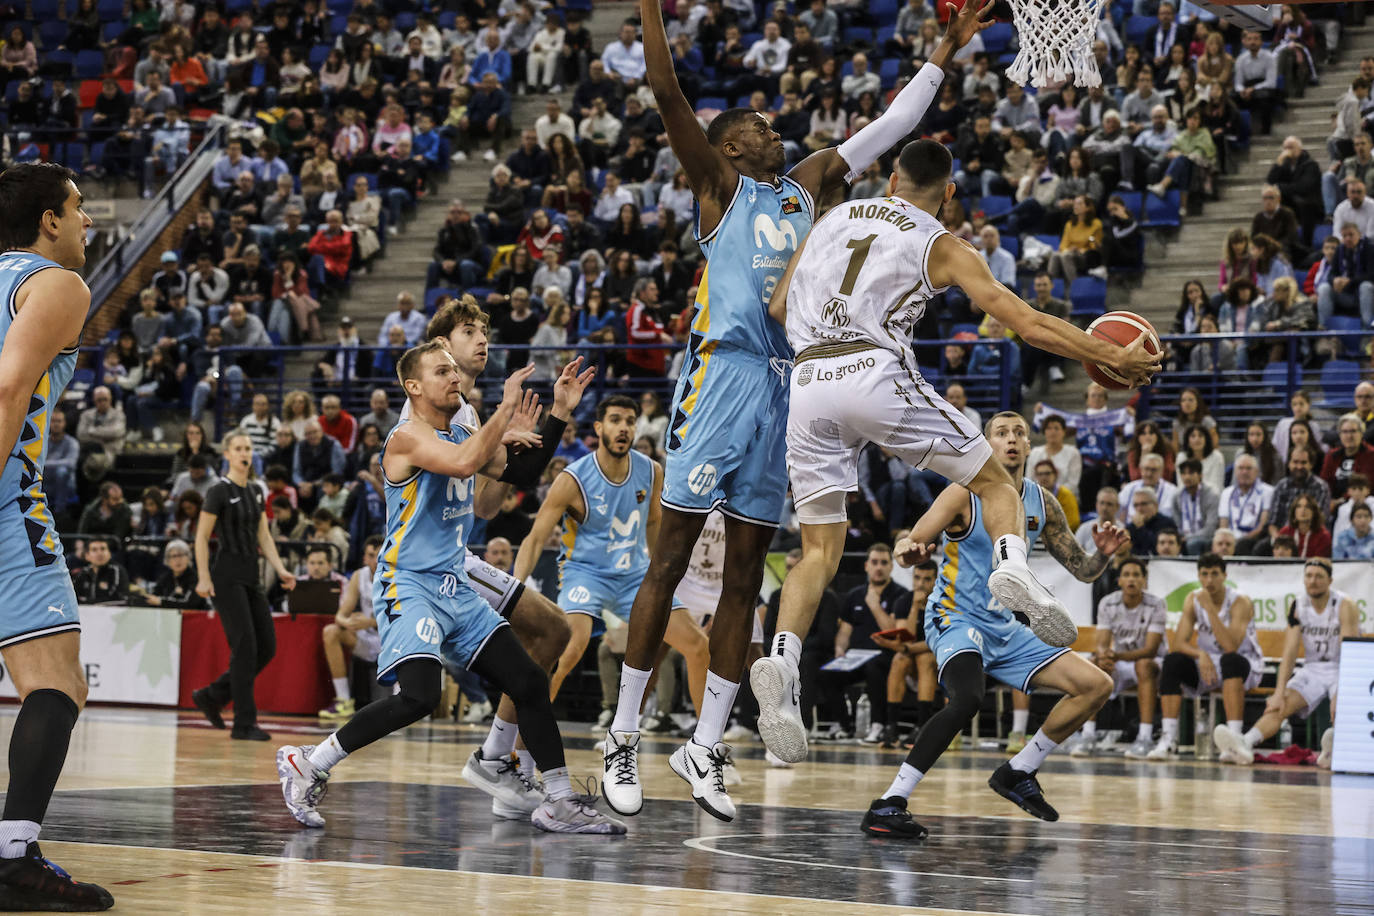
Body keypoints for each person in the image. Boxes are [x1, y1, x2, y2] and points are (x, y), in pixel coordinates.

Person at [601, 0, 1010, 823]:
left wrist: (943, 48)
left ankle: (707, 746)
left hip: (791, 386)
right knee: (671, 560)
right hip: (720, 378)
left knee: (749, 575)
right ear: (730, 144)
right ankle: (621, 733)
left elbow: (894, 124)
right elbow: (667, 88)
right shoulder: (718, 186)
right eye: (760, 128)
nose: (777, 133)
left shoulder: (814, 182)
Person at [751, 137, 1159, 769]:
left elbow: (777, 306)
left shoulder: (833, 218)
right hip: (872, 371)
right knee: (995, 482)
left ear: (891, 179)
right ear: (947, 193)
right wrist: (1107, 354)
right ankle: (1012, 562)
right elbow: (1023, 322)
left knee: (818, 549)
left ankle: (782, 657)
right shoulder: (942, 242)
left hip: (807, 383)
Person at [274, 344, 624, 835]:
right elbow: (463, 465)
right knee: (420, 695)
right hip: (408, 581)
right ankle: (310, 761)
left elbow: (519, 473)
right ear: (412, 386)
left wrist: (559, 413)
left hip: (454, 583)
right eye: (441, 371)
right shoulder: (405, 438)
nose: (454, 377)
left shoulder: (463, 427)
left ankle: (560, 802)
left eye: (454, 370)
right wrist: (504, 413)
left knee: (526, 680)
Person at [858, 412, 1128, 839]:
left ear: (1029, 444)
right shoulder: (962, 493)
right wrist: (908, 552)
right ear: (987, 445)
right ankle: (889, 802)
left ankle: (1018, 770)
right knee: (967, 698)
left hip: (1007, 627)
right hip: (955, 616)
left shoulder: (1043, 501)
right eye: (1001, 434)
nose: (1012, 440)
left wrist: (1105, 554)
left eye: (1019, 432)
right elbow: (908, 541)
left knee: (1096, 685)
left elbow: (1083, 569)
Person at [398, 297, 594, 818]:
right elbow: (468, 465)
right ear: (441, 346)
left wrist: (553, 418)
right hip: (431, 565)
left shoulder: (463, 409)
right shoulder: (433, 409)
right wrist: (498, 436)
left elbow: (489, 499)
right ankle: (499, 762)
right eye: (469, 331)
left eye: (485, 330)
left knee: (551, 633)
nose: (483, 340)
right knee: (548, 633)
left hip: (454, 553)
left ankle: (500, 763)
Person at [0, 163, 115, 911]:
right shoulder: (57, 283)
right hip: (6, 491)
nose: (87, 223)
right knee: (57, 681)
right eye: (78, 209)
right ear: (47, 219)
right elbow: (9, 389)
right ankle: (12, 857)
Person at [514, 395, 711, 717]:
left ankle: (706, 745)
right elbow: (535, 539)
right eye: (616, 420)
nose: (623, 428)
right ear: (599, 427)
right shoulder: (572, 479)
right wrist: (516, 587)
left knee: (698, 645)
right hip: (585, 573)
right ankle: (519, 743)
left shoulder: (651, 471)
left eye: (630, 422)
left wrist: (660, 577)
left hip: (634, 575)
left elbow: (652, 524)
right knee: (567, 650)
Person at [190, 434, 297, 741]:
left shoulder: (255, 490)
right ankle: (243, 723)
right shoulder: (218, 491)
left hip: (252, 574)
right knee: (245, 647)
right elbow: (201, 538)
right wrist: (203, 577)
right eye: (238, 448)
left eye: (248, 449)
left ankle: (213, 694)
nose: (244, 453)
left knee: (267, 646)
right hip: (226, 575)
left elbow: (264, 536)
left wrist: (281, 569)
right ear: (227, 454)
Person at [1214, 558, 1357, 768]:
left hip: (1342, 667)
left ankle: (1337, 749)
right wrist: (1279, 692)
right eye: (1308, 576)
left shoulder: (1345, 605)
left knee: (1344, 707)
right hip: (1313, 668)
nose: (1313, 581)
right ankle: (1245, 743)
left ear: (1330, 580)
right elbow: (1289, 653)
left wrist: (1342, 691)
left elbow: (1350, 651)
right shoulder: (1298, 605)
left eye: (1319, 576)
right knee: (1280, 705)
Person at [1147, 553, 1263, 760]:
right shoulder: (1193, 598)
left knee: (1230, 661)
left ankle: (1235, 741)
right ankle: (1168, 739)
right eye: (1204, 574)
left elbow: (1231, 646)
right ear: (1199, 576)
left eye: (1215, 574)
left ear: (1225, 576)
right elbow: (1179, 643)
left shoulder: (1240, 601)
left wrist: (1209, 609)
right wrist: (1200, 654)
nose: (1209, 580)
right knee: (1172, 661)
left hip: (1244, 662)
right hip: (1208, 663)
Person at [1071, 557, 1166, 759]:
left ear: (1144, 581)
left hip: (1152, 663)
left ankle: (1145, 737)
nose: (1131, 579)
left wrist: (1116, 655)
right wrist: (1104, 655)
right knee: (1094, 665)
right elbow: (1103, 643)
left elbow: (1151, 649)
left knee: (1143, 665)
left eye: (1136, 575)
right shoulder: (1108, 602)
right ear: (1119, 580)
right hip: (1122, 661)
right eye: (1127, 575)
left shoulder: (1157, 604)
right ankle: (1088, 735)